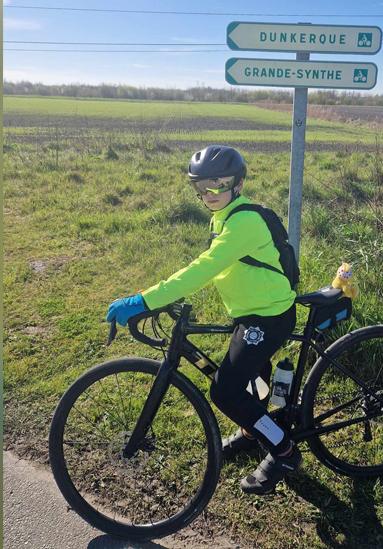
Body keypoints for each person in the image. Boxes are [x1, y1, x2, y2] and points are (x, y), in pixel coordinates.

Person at [106, 145, 300, 494]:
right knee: (250, 378)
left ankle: (283, 449)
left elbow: (205, 269)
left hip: (270, 315)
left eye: (216, 186)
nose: (208, 195)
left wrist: (145, 299)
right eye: (200, 189)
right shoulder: (226, 214)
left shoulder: (245, 221)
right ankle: (251, 430)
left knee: (224, 390)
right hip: (250, 311)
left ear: (238, 184)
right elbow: (216, 265)